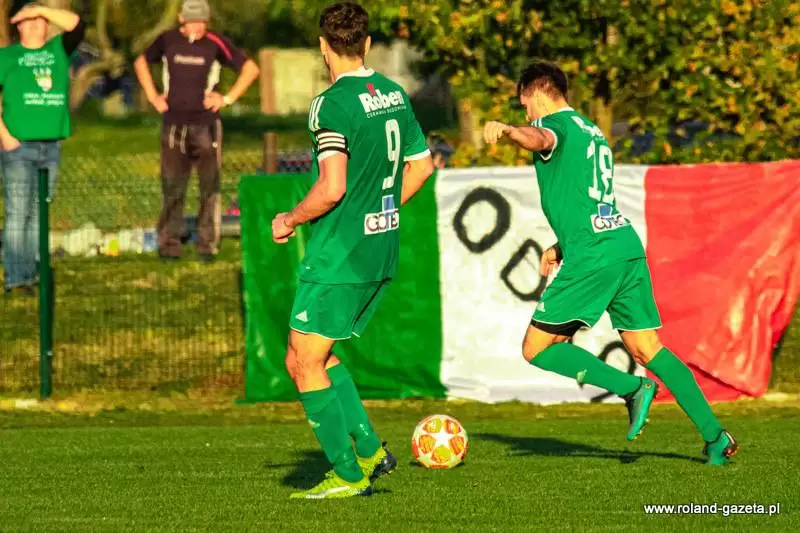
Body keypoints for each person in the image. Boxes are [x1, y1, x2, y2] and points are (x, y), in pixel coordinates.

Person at [483, 60, 738, 466]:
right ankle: (716, 437)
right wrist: (561, 244)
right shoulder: (592, 131)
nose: (524, 112)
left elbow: (541, 137)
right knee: (647, 348)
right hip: (622, 245)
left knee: (537, 348)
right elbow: (589, 196)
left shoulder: (555, 126)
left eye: (523, 103)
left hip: (595, 254)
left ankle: (631, 389)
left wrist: (511, 131)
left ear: (535, 93)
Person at [270, 2, 435, 499]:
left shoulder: (330, 104)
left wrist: (290, 219)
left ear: (323, 47)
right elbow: (423, 167)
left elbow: (332, 188)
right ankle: (368, 450)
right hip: (379, 247)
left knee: (303, 363)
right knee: (310, 355)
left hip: (340, 253)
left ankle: (347, 473)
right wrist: (382, 212)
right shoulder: (393, 93)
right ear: (366, 45)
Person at [134, 0, 259, 262]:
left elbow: (250, 69)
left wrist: (227, 99)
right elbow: (141, 62)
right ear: (181, 19)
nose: (198, 27)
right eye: (193, 21)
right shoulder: (167, 41)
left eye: (202, 21)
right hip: (173, 125)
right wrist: (153, 96)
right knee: (172, 186)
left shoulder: (215, 43)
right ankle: (169, 245)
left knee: (209, 187)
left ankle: (207, 246)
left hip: (206, 126)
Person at [0, 1, 84, 296]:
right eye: (29, 19)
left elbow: (76, 25)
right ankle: (16, 279)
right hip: (18, 147)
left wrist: (41, 10)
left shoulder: (57, 51)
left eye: (41, 20)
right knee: (18, 212)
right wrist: (4, 135)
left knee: (40, 214)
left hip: (51, 146)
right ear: (18, 26)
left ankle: (34, 273)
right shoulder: (7, 57)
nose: (36, 23)